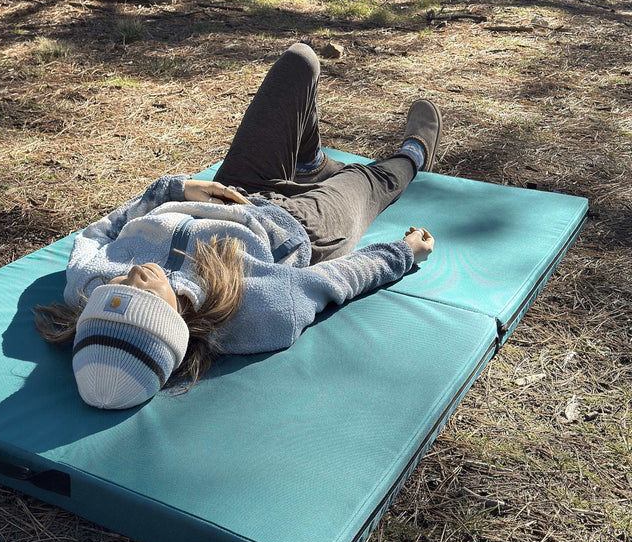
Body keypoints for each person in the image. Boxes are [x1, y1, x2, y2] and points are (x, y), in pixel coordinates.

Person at [35, 43, 440, 409]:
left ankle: (310, 163)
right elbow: (335, 279)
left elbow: (103, 229)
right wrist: (404, 254)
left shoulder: (86, 284)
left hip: (230, 189)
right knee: (374, 181)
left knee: (299, 61)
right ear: (175, 325)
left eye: (116, 288)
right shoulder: (254, 313)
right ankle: (416, 153)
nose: (133, 276)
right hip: (303, 227)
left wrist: (173, 189)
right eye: (144, 294)